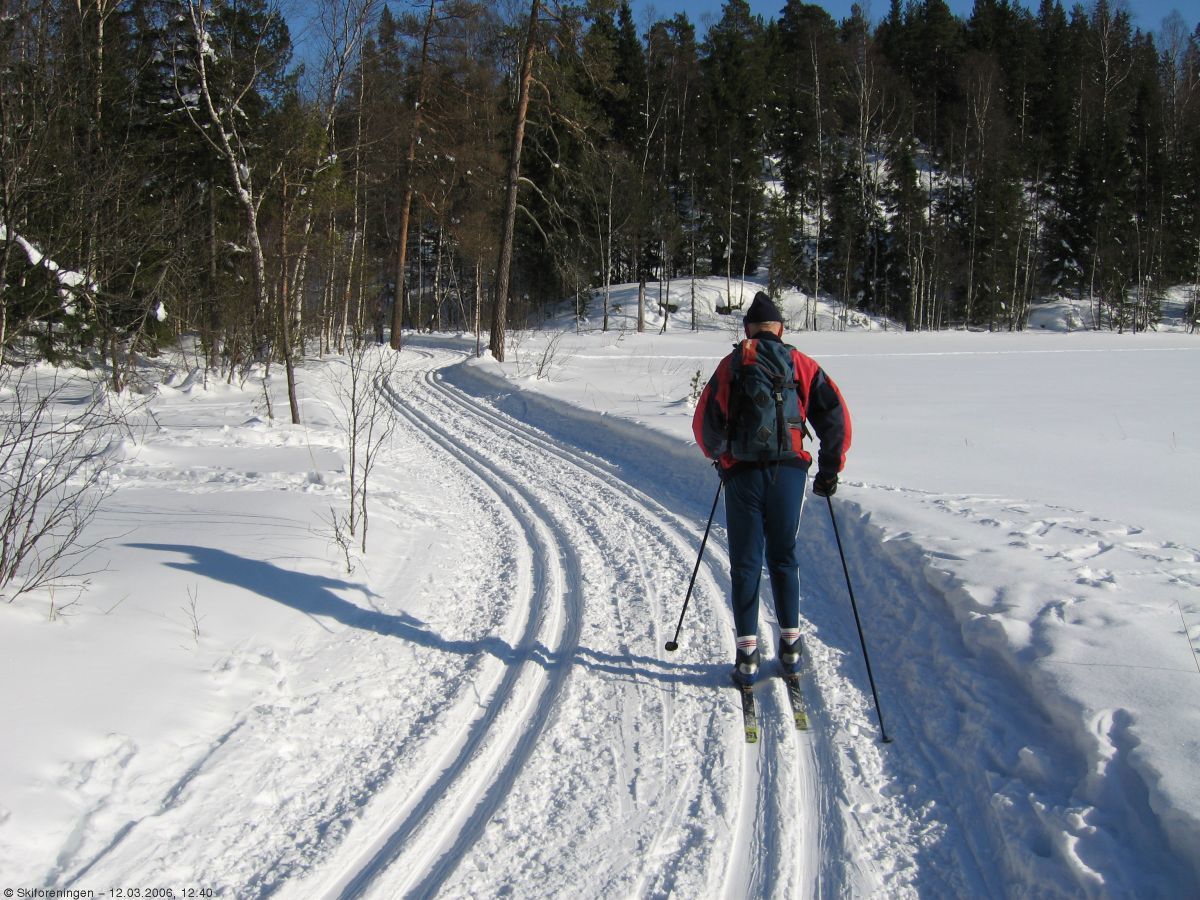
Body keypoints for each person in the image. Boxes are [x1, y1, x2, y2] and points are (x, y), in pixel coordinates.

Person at [691, 291, 852, 685]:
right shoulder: (800, 363)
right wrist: (829, 469)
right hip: (789, 473)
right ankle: (791, 649)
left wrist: (721, 457)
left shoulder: (732, 364)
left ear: (747, 329)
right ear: (780, 328)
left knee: (746, 562)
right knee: (783, 557)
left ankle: (746, 654)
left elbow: (704, 424)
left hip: (742, 473)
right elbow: (836, 418)